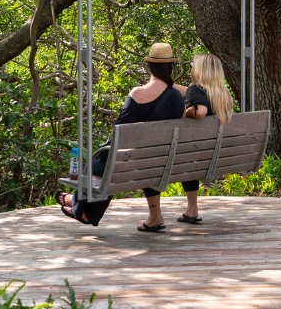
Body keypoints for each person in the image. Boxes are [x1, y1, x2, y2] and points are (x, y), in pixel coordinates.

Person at [56, 42, 185, 231]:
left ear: (149, 66)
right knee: (108, 165)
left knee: (96, 164)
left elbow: (120, 130)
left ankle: (81, 209)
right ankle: (78, 204)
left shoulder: (139, 93)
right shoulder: (178, 97)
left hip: (131, 163)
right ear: (170, 67)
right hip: (161, 161)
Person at [172, 53, 233, 224]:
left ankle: (192, 208)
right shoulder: (221, 94)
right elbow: (193, 93)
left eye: (192, 64)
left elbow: (200, 111)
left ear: (199, 70)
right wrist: (170, 85)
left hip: (196, 156)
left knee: (184, 156)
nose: (190, 68)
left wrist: (186, 111)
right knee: (188, 156)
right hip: (218, 154)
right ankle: (191, 209)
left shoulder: (195, 91)